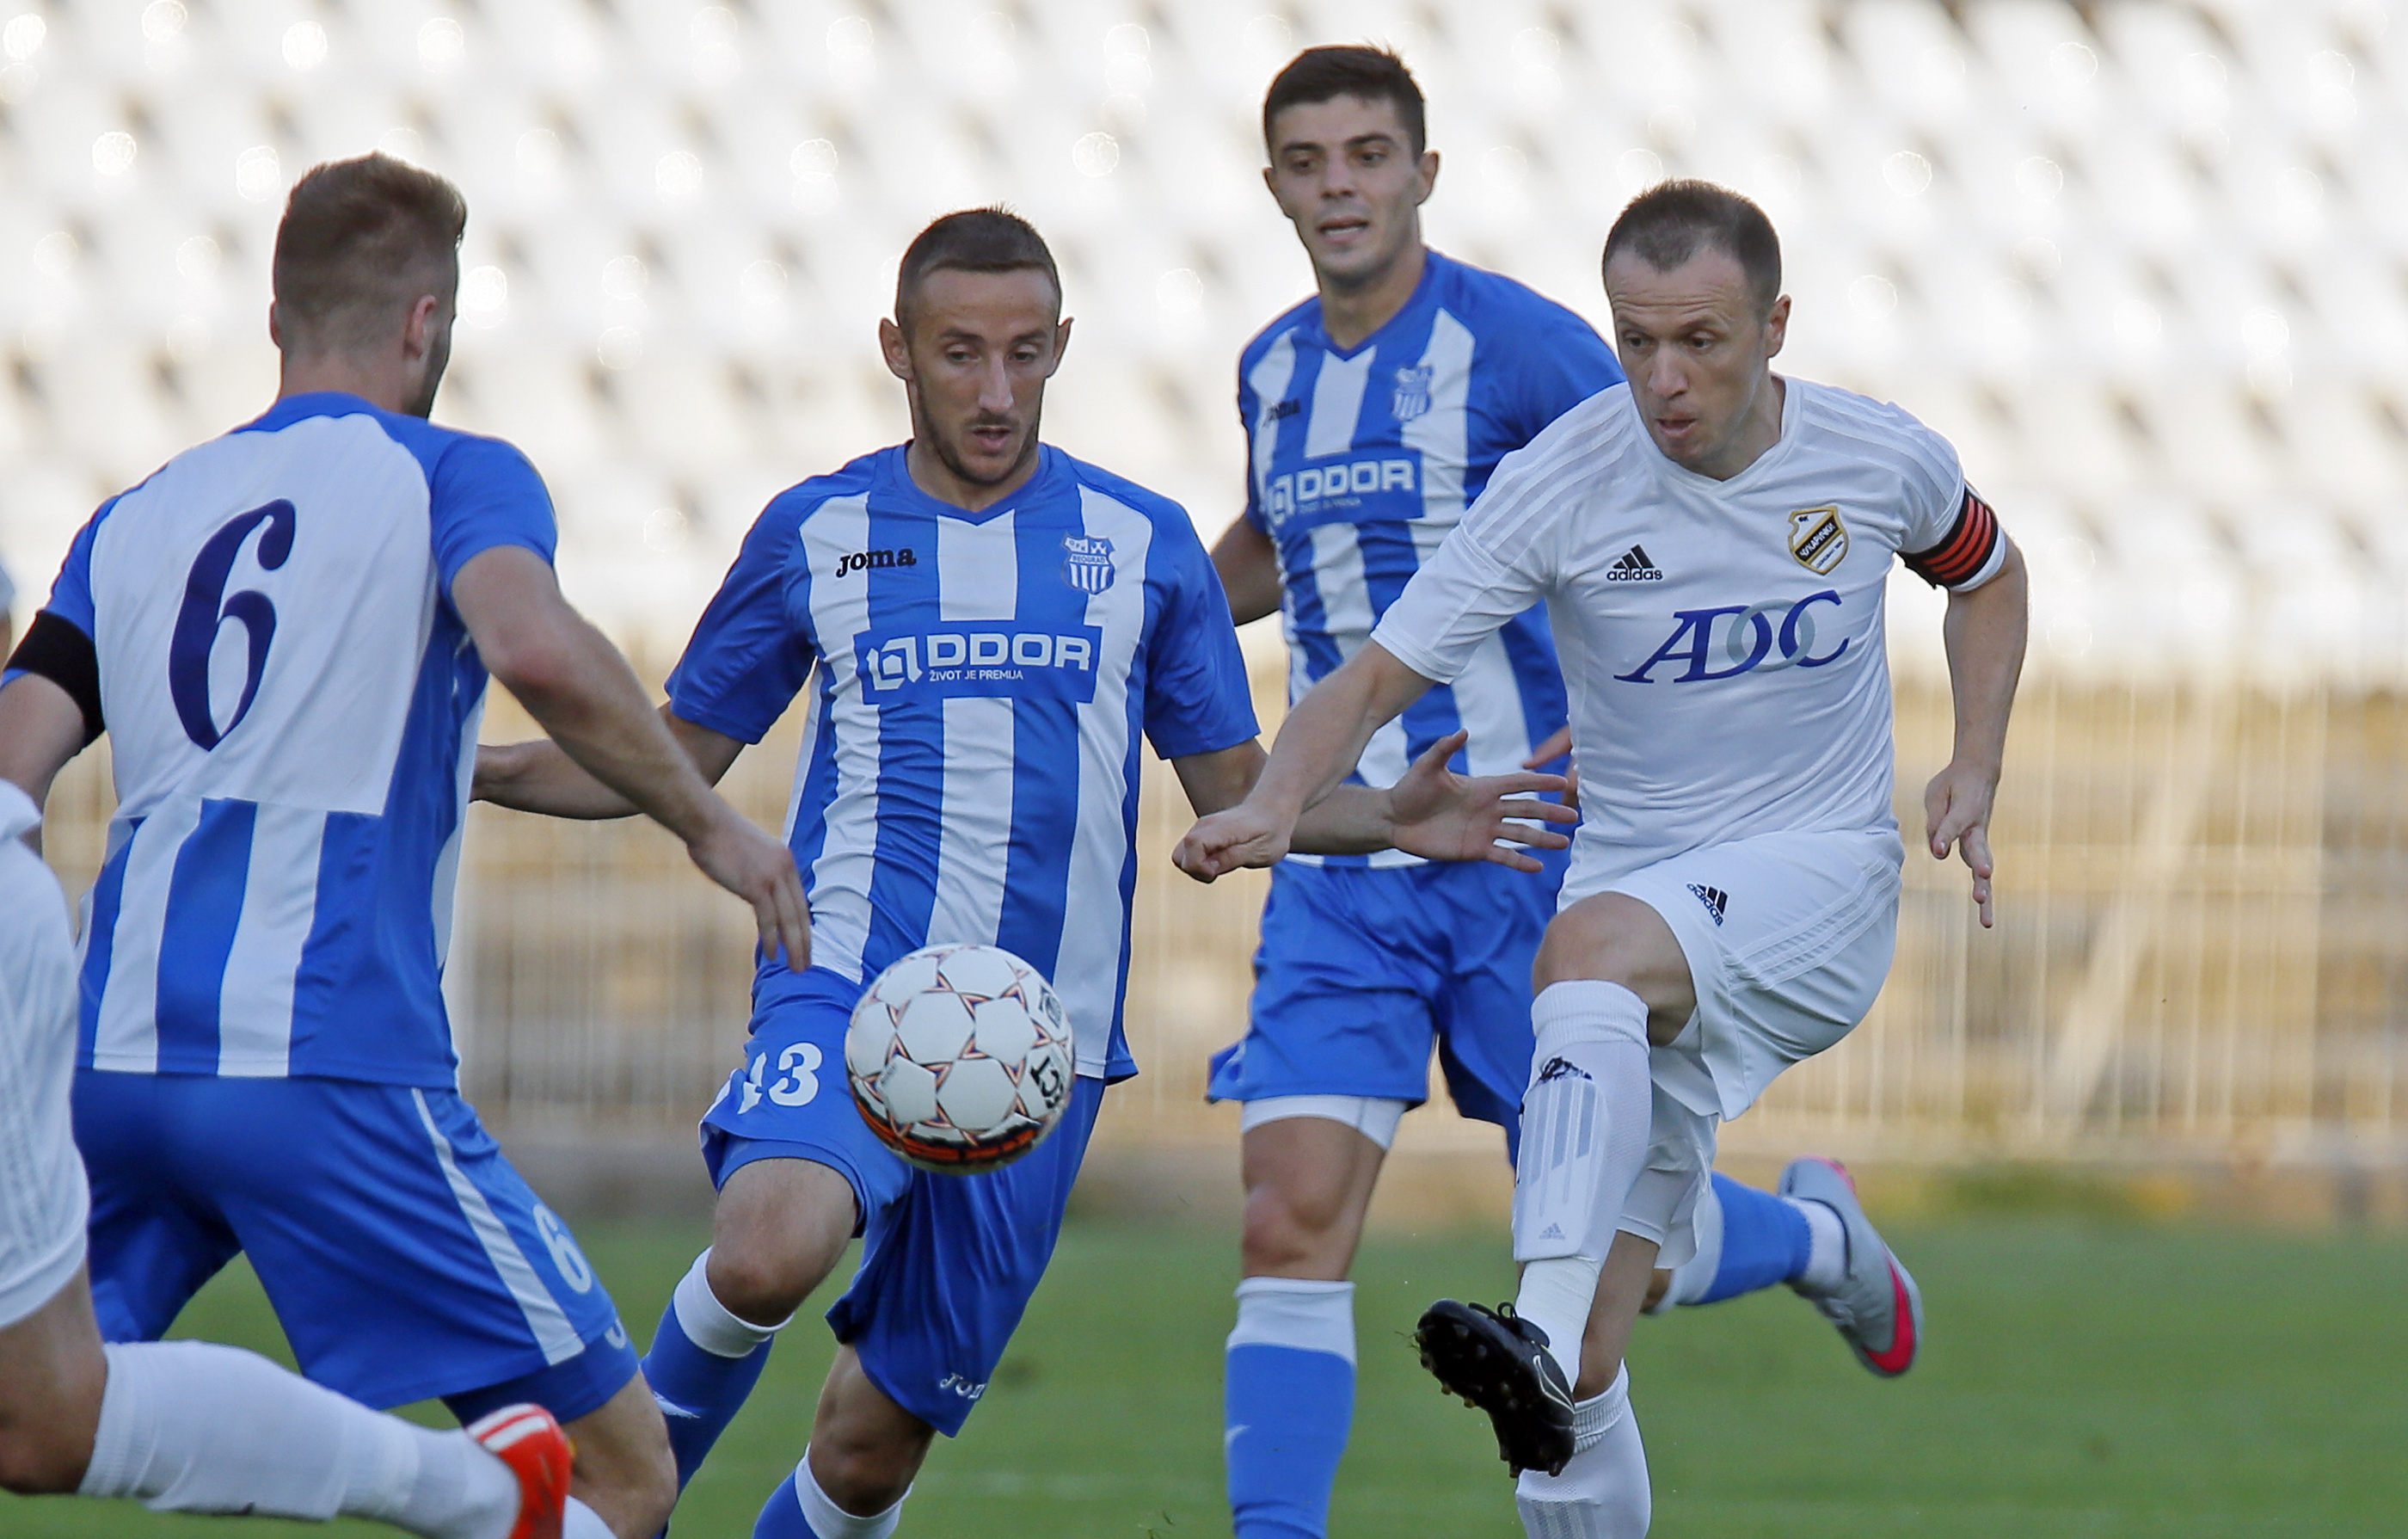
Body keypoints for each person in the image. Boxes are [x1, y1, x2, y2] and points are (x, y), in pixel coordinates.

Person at [471, 207, 1571, 1539]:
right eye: (960, 354)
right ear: (898, 350)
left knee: (865, 1458)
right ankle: (606, 1514)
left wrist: (1389, 816)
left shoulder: (1143, 543)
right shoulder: (818, 530)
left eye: (1026, 353)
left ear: (1061, 346)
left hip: (1042, 1055)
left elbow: (1235, 793)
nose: (996, 391)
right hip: (849, 982)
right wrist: (471, 766)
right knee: (765, 1249)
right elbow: (667, 758)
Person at [1178, 179, 2028, 1537]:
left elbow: (1985, 572)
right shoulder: (1565, 478)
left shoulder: (1877, 458)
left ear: (1775, 327)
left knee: (1583, 955)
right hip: (1645, 913)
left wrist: (1975, 759)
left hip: (1816, 881)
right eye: (1636, 340)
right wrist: (1280, 802)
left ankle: (1535, 1316)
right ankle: (1771, 1262)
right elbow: (1379, 674)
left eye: (1699, 340)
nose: (1664, 378)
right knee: (1580, 1374)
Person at [0, 152, 811, 1539]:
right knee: (621, 1474)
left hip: (115, 1062)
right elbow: (531, 644)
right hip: (327, 1063)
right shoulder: (452, 474)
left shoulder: (133, 517)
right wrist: (713, 822)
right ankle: (463, 1497)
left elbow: (15, 762)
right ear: (428, 323)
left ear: (276, 318)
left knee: (37, 1417)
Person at [0, 778, 573, 1537]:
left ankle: (477, 1493)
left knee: (37, 1403)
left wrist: (705, 824)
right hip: (131, 999)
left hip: (296, 1034)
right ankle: (474, 1493)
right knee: (38, 1413)